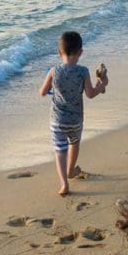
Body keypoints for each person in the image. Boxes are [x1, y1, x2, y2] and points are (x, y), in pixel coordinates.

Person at [39, 31, 107, 196]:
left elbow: (42, 92)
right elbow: (90, 94)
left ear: (59, 52)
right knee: (74, 144)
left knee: (60, 150)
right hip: (75, 120)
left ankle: (64, 184)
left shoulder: (54, 71)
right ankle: (71, 170)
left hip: (57, 120)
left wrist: (51, 90)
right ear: (80, 52)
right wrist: (102, 84)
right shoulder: (83, 71)